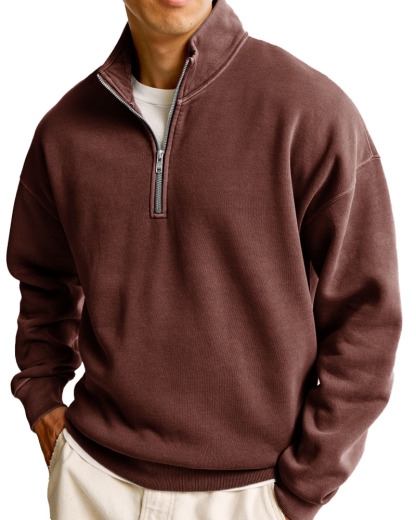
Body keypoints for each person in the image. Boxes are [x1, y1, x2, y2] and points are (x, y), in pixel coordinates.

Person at [6, 0, 402, 519]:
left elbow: (367, 315)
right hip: (93, 484)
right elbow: (43, 282)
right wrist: (42, 397)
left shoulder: (310, 111)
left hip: (251, 494)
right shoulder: (64, 131)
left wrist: (304, 486)